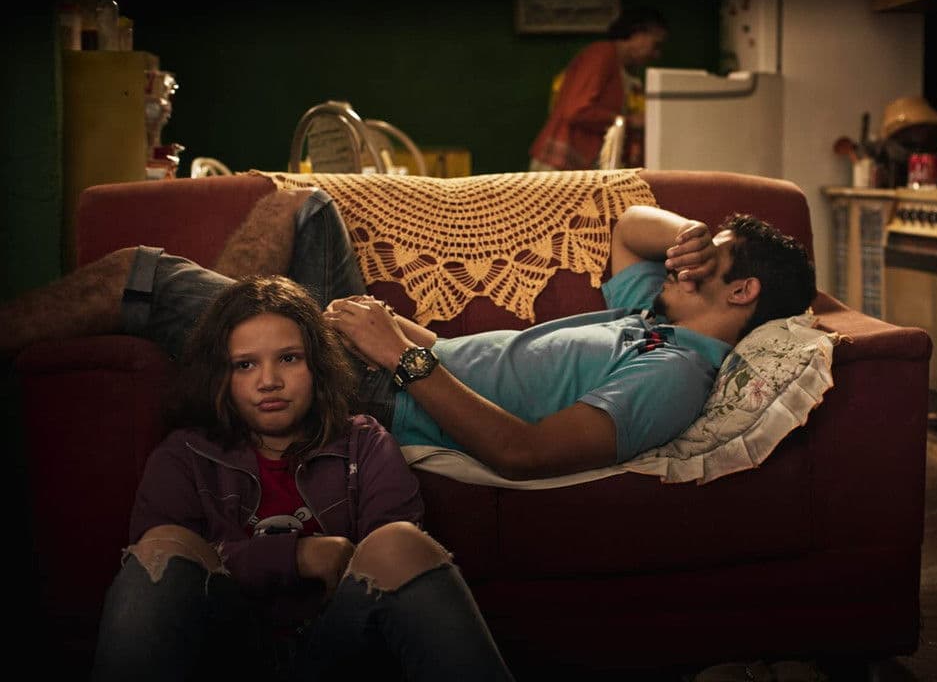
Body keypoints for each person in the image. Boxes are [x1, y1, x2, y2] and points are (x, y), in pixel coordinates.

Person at [1, 185, 815, 481]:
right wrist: (692, 232)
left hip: (384, 388)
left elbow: (524, 454)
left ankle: (225, 343)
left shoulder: (672, 373)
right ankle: (228, 341)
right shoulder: (651, 315)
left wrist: (403, 357)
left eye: (710, 259)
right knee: (301, 205)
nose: (681, 262)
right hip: (392, 352)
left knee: (139, 272)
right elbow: (631, 225)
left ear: (742, 291)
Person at [90, 275, 514, 682]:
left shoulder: (364, 443)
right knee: (163, 545)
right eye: (245, 365)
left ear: (317, 366)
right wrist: (296, 556)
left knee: (399, 541)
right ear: (220, 375)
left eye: (289, 358)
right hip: (229, 653)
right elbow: (162, 578)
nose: (269, 381)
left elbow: (390, 566)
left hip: (339, 649)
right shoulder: (185, 453)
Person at [528, 7, 668, 171]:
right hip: (560, 165)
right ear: (637, 34)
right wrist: (629, 121)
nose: (656, 54)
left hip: (575, 165)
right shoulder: (602, 54)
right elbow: (576, 110)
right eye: (656, 45)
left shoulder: (619, 66)